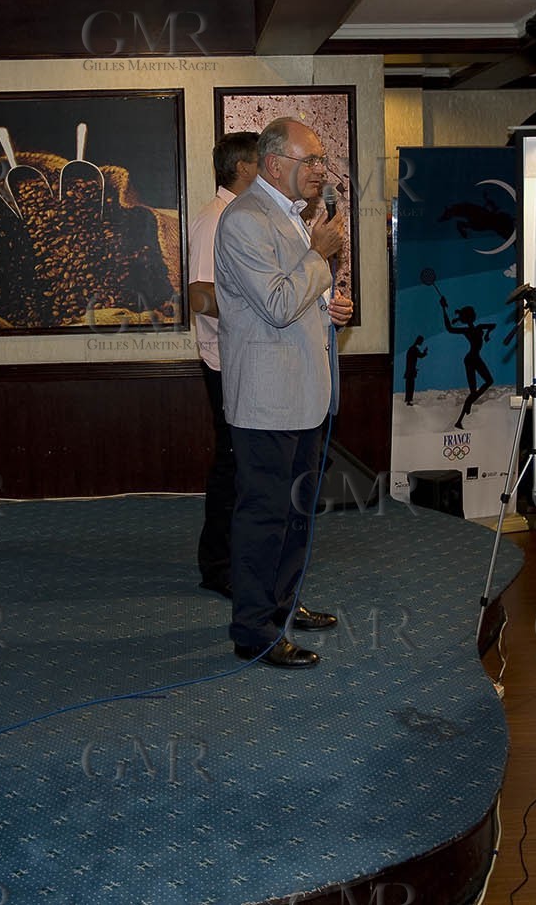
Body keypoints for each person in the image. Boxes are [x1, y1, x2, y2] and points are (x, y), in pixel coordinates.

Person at [214, 117, 353, 670]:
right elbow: (274, 303)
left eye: (322, 161)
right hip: (268, 401)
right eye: (311, 160)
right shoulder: (244, 220)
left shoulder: (295, 219)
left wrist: (329, 310)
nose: (321, 171)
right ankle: (253, 630)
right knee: (265, 516)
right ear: (275, 164)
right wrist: (319, 254)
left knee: (297, 513)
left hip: (305, 394)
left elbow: (296, 300)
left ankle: (283, 603)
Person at [187, 132, 259, 598]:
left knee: (241, 464)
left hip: (245, 360)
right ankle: (217, 566)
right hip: (225, 362)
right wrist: (257, 310)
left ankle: (231, 559)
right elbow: (199, 295)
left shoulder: (239, 217)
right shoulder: (216, 220)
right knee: (232, 465)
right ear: (244, 168)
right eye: (264, 162)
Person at [439, 302, 495, 428]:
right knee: (479, 387)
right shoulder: (471, 329)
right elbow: (449, 328)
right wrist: (443, 309)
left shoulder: (477, 328)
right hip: (471, 359)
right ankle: (461, 417)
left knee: (486, 383)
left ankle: (466, 408)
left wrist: (487, 334)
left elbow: (493, 325)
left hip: (474, 358)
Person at [403, 335, 428, 406]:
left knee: (409, 386)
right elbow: (420, 355)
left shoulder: (411, 349)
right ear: (419, 341)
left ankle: (408, 400)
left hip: (409, 371)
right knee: (410, 386)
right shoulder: (414, 349)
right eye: (421, 341)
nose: (422, 343)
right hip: (410, 372)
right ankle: (408, 401)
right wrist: (425, 352)